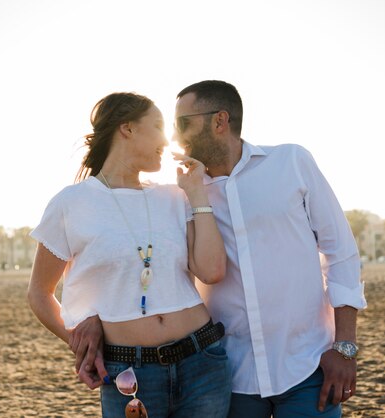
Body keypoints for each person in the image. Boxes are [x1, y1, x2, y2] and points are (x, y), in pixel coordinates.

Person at [75, 81, 368, 417]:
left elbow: (341, 252)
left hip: (308, 366)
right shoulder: (179, 195)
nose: (175, 135)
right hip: (228, 375)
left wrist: (344, 348)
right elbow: (146, 268)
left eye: (183, 124)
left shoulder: (291, 163)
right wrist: (95, 318)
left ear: (219, 121)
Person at [27, 92, 232, 418]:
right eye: (158, 126)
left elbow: (211, 270)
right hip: (128, 373)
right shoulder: (71, 203)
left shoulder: (174, 196)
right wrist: (79, 343)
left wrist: (196, 192)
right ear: (127, 128)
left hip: (202, 361)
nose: (167, 139)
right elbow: (39, 293)